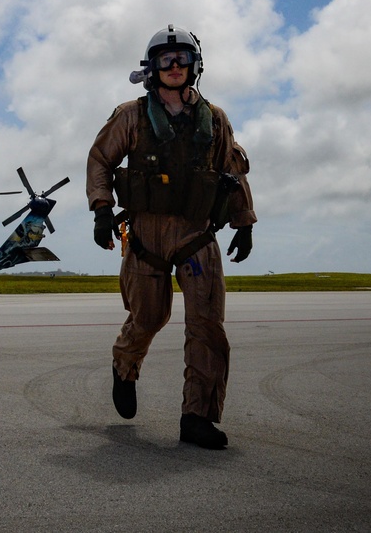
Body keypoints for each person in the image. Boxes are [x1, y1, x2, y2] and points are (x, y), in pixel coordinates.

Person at [86, 24, 256, 449]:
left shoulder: (215, 120)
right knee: (148, 317)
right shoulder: (131, 115)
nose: (175, 66)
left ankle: (197, 417)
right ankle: (124, 364)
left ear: (194, 66)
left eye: (182, 59)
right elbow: (100, 160)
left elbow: (233, 171)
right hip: (146, 235)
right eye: (166, 60)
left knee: (206, 326)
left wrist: (245, 222)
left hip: (197, 235)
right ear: (152, 68)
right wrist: (102, 209)